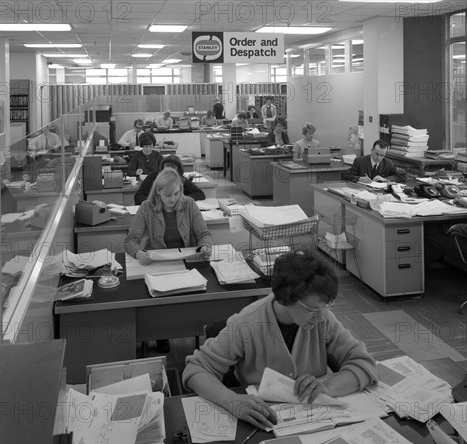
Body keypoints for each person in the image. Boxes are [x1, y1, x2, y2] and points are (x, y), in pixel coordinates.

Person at [182, 251, 377, 430]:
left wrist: (327, 388)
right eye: (313, 309)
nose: (320, 316)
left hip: (315, 420)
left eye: (325, 306)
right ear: (284, 299)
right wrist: (232, 401)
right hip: (265, 422)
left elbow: (362, 362)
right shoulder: (246, 324)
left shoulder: (323, 318)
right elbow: (196, 370)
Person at [125, 169, 213, 353]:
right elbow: (130, 240)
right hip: (159, 263)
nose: (173, 198)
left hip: (186, 261)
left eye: (177, 193)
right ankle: (160, 334)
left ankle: (190, 328)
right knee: (160, 303)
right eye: (168, 195)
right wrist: (138, 253)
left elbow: (203, 234)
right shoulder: (147, 207)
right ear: (158, 192)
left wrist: (205, 246)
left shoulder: (189, 204)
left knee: (192, 298)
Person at [134, 155, 205, 205]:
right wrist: (156, 201)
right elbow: (138, 196)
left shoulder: (181, 179)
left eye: (173, 167)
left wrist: (181, 198)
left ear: (178, 170)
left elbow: (200, 194)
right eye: (167, 166)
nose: (169, 169)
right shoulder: (153, 176)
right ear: (162, 167)